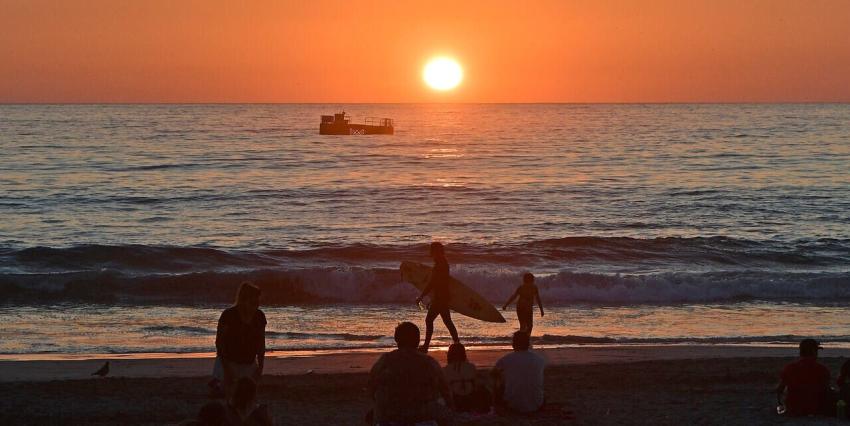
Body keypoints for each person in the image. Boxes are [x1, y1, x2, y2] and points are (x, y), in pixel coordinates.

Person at [369, 321, 454, 425]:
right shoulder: (429, 362)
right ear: (418, 340)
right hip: (422, 414)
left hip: (392, 414)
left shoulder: (386, 360)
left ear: (396, 339)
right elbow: (445, 390)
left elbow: (371, 384)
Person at [216, 282, 266, 397]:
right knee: (229, 392)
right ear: (244, 300)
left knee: (246, 394)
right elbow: (220, 343)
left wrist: (260, 367)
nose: (256, 305)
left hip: (249, 362)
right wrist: (226, 368)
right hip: (228, 361)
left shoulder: (259, 316)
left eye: (257, 302)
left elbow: (261, 343)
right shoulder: (228, 315)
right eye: (253, 302)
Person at [415, 242, 460, 352]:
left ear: (436, 251)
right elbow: (440, 283)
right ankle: (457, 344)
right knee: (447, 321)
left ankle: (426, 346)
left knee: (429, 320)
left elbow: (433, 283)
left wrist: (422, 296)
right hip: (442, 296)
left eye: (432, 250)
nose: (431, 252)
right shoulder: (443, 263)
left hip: (440, 297)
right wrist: (432, 298)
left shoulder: (440, 264)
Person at [776, 338, 833, 417]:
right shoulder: (822, 369)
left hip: (794, 408)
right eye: (816, 351)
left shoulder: (789, 368)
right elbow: (826, 389)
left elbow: (780, 390)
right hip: (816, 408)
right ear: (813, 352)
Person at [492, 331, 545, 414]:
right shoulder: (539, 359)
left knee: (497, 379)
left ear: (514, 344)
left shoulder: (506, 359)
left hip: (512, 405)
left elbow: (492, 373)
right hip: (536, 404)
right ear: (528, 343)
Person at [443, 343, 490, 413]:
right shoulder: (471, 367)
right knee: (485, 389)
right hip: (470, 400)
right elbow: (476, 384)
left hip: (454, 401)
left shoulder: (446, 369)